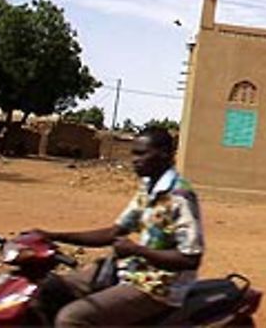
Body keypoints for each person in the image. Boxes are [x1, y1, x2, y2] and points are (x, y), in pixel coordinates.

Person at [31, 127, 204, 327]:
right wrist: (52, 236)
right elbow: (114, 232)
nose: (134, 159)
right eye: (133, 153)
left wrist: (137, 250)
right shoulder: (149, 188)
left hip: (158, 287)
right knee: (47, 289)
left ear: (164, 154)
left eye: (141, 154)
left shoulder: (179, 196)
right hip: (131, 272)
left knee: (71, 319)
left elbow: (191, 258)